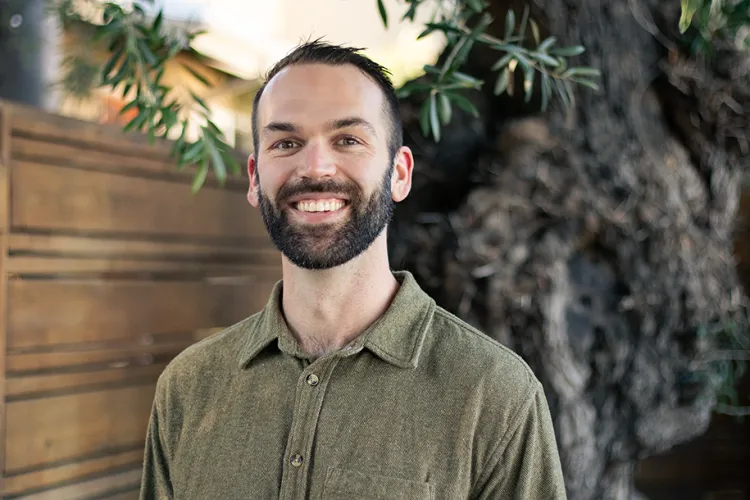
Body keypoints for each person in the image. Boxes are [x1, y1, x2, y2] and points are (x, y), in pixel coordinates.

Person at [139, 40, 567, 500]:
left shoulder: (495, 393)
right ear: (254, 177)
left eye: (348, 140)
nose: (315, 167)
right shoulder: (188, 388)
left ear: (399, 173)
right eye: (286, 142)